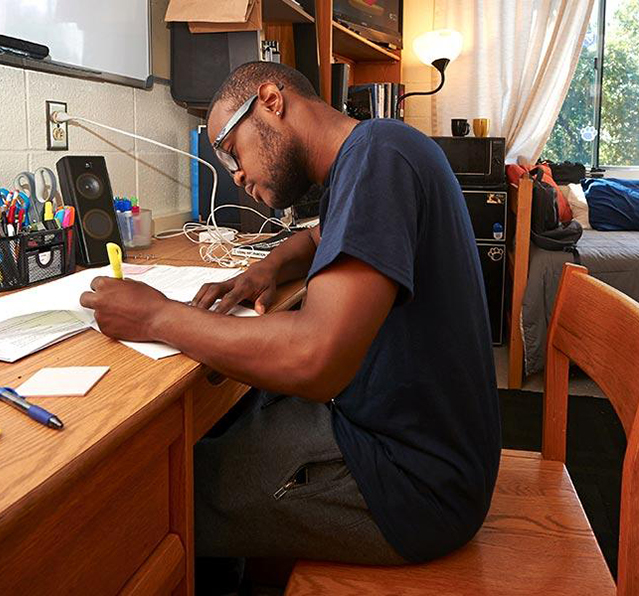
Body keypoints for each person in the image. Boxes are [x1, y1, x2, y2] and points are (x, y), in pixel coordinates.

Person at [79, 61, 501, 573]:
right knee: (217, 431)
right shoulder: (376, 151)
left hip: (411, 483)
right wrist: (268, 267)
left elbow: (313, 357)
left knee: (154, 497)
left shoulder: (378, 159)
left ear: (271, 101)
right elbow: (319, 237)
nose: (236, 176)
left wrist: (155, 316)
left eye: (232, 151)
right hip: (416, 441)